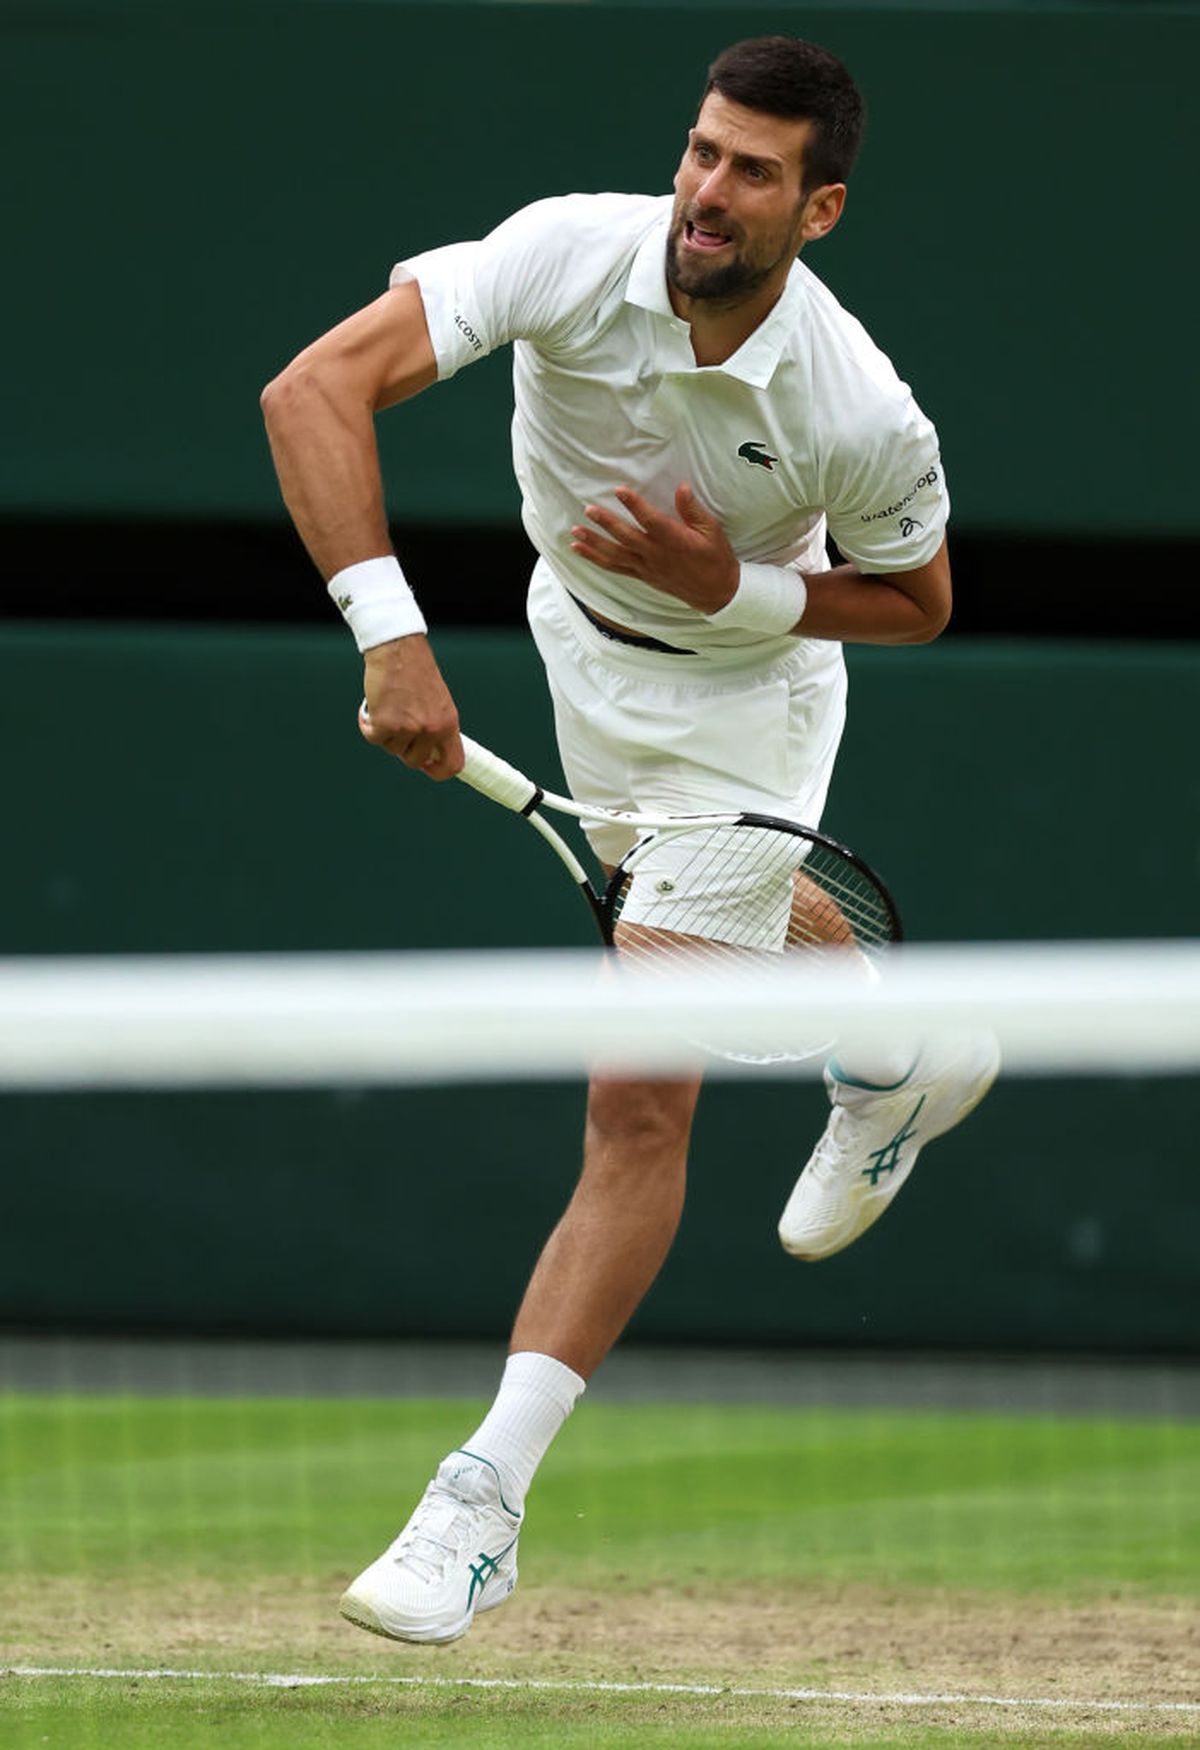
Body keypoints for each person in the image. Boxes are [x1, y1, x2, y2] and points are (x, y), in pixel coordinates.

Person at [261, 34, 999, 1647]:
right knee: (671, 954)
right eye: (699, 152)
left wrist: (723, 588)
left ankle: (480, 1504)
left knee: (635, 1093)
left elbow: (925, 606)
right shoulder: (568, 250)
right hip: (575, 647)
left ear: (822, 210)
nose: (706, 194)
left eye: (751, 171)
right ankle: (903, 1047)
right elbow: (312, 389)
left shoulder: (858, 408)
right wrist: (390, 638)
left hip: (749, 706)